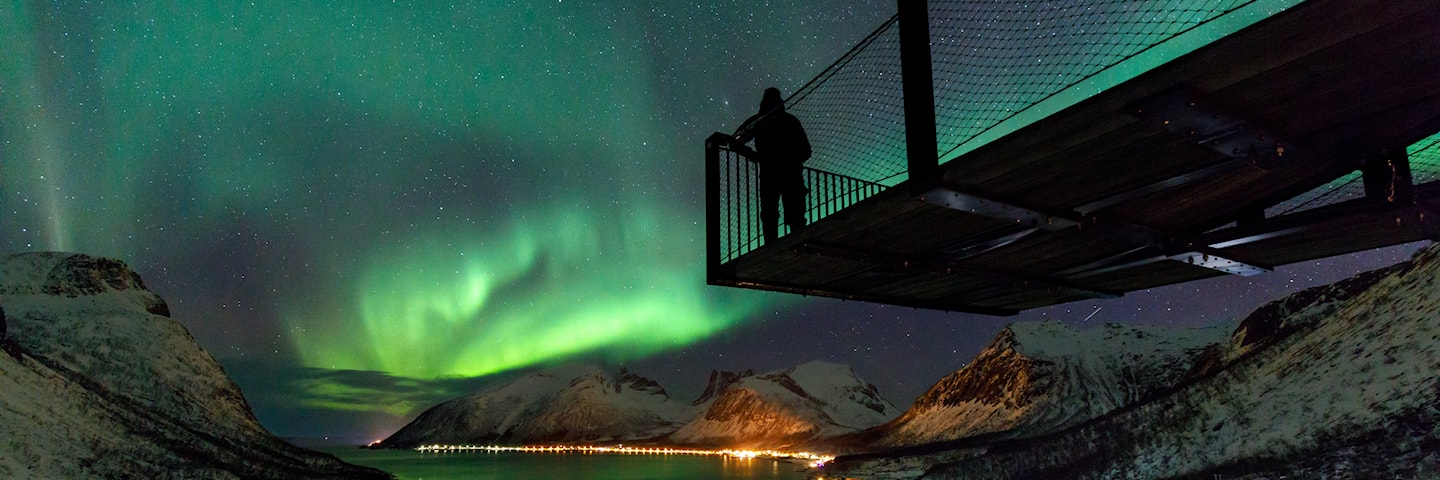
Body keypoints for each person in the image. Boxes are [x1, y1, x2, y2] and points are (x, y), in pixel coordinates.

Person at [734, 87, 812, 242]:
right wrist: (791, 159)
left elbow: (735, 142)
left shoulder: (758, 121)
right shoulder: (790, 120)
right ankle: (798, 244)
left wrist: (756, 156)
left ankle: (772, 248)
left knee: (771, 214)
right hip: (791, 173)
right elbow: (806, 151)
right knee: (793, 213)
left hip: (771, 174)